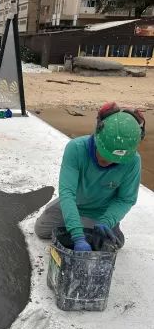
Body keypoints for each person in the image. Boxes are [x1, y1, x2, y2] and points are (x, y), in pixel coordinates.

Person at [35, 102, 145, 251]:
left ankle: (103, 226)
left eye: (116, 159)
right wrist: (77, 235)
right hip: (74, 202)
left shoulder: (133, 161)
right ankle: (82, 224)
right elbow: (67, 194)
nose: (107, 162)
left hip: (102, 212)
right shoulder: (75, 149)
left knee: (111, 244)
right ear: (97, 135)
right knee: (42, 230)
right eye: (105, 155)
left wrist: (107, 220)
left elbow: (126, 199)